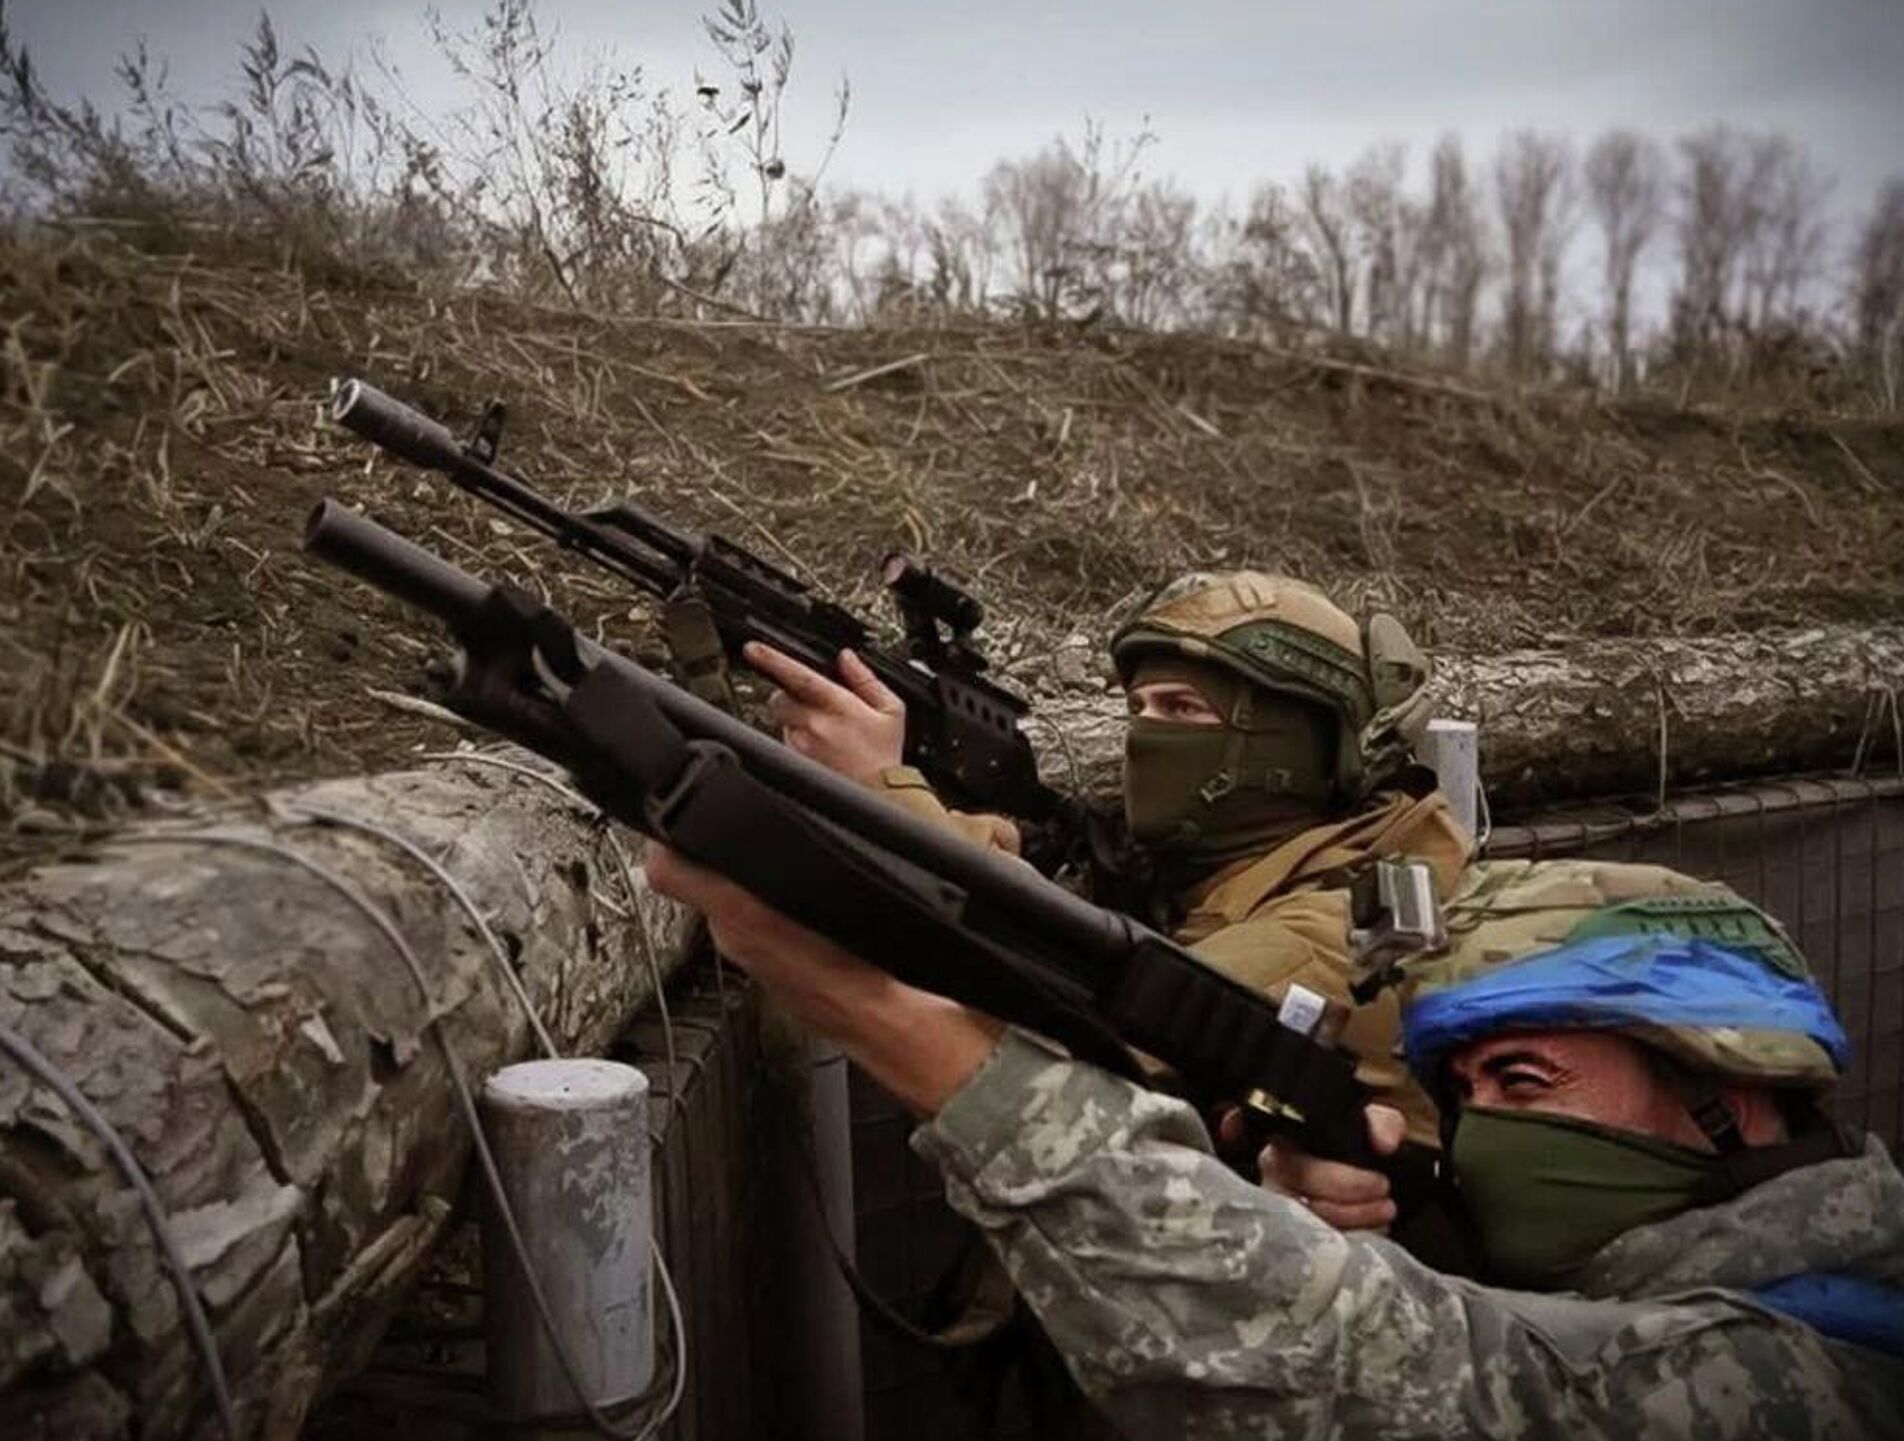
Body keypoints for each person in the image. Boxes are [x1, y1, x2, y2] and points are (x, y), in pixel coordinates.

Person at [644, 841, 1904, 1438]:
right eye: (1465, 1096)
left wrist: (901, 1029)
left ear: (1730, 1092)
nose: (1486, 1135)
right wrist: (1312, 1213)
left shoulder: (1815, 1379)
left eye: (1526, 1077)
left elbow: (1393, 1370)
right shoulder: (1666, 1274)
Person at [748, 570, 1465, 1164]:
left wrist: (885, 794)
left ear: (1299, 746)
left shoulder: (1345, 926)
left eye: (1182, 708)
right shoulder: (1220, 874)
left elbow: (1080, 1035)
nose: (1144, 735)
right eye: (1138, 707)